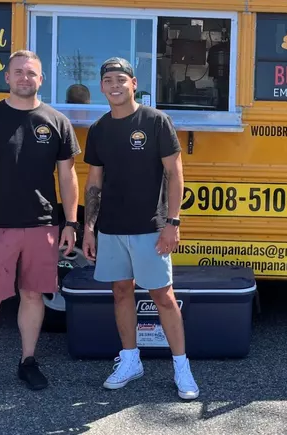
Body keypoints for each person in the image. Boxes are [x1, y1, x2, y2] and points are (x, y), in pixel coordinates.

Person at [0, 49, 82, 399]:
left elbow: (67, 177)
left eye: (31, 73)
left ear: (41, 79)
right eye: (18, 72)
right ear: (7, 78)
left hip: (43, 226)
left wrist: (70, 223)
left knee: (33, 295)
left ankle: (28, 361)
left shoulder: (57, 121)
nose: (25, 78)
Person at [81, 57, 199, 400]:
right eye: (108, 80)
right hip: (112, 228)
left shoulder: (156, 121)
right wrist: (89, 228)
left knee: (163, 296)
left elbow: (175, 174)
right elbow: (94, 182)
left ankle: (181, 367)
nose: (114, 85)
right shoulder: (100, 129)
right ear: (101, 87)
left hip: (151, 227)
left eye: (121, 79)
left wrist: (172, 223)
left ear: (134, 83)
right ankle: (131, 360)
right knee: (121, 292)